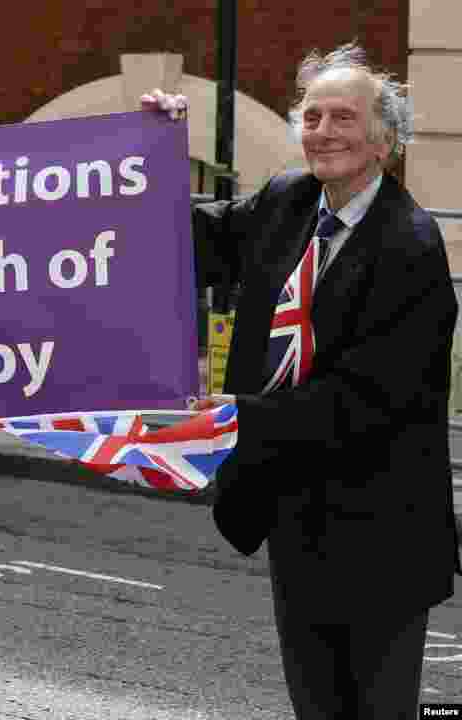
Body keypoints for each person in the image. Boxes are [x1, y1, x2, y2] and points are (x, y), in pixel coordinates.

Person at [143, 43, 458, 719]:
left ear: (384, 141)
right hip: (297, 516)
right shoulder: (289, 200)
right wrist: (153, 156)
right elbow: (192, 242)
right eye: (312, 116)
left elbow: (365, 401)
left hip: (381, 534)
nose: (323, 131)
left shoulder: (411, 246)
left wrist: (236, 414)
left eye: (343, 117)